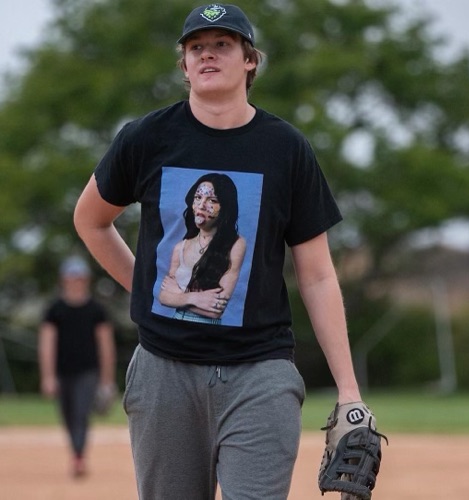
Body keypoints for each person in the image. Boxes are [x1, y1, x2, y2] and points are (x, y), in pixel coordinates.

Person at [73, 3, 363, 498]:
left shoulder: (286, 148)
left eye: (222, 45)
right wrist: (153, 290)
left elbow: (317, 274)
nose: (207, 54)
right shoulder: (147, 138)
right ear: (184, 66)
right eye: (196, 48)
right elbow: (90, 220)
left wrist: (349, 391)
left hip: (260, 372)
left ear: (250, 60)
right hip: (164, 369)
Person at [38, 256, 116, 478]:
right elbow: (47, 344)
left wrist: (107, 380)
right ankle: (76, 451)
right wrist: (48, 376)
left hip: (88, 371)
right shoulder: (55, 310)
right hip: (63, 372)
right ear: (64, 280)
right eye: (72, 278)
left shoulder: (96, 310)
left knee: (81, 413)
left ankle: (78, 457)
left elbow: (106, 346)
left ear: (86, 280)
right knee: (68, 415)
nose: (75, 282)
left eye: (79, 278)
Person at [159, 173, 246, 324]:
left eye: (212, 200)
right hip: (175, 325)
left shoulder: (236, 244)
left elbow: (215, 311)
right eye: (198, 197)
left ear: (225, 207)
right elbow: (164, 297)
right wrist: (195, 298)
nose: (201, 205)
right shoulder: (180, 247)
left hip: (209, 331)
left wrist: (178, 295)